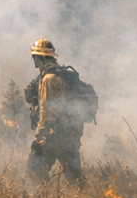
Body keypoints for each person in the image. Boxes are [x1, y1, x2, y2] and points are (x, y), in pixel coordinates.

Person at [25, 38, 93, 183]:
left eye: (35, 58)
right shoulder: (63, 75)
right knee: (75, 179)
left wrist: (40, 136)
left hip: (54, 136)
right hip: (71, 134)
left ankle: (36, 197)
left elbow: (46, 111)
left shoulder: (48, 79)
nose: (34, 62)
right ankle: (86, 196)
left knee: (33, 174)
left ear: (41, 58)